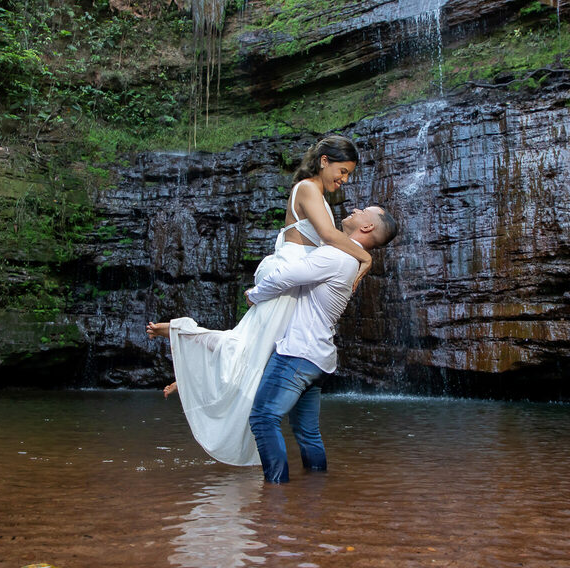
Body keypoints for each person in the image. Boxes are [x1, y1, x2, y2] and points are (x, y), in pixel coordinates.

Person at [146, 135, 372, 466]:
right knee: (246, 345)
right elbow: (328, 237)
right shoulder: (308, 188)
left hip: (295, 283)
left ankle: (189, 362)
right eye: (342, 170)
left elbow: (330, 244)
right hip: (287, 279)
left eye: (349, 174)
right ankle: (183, 340)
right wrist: (366, 259)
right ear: (324, 161)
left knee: (256, 349)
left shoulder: (320, 195)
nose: (344, 179)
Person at [246, 205, 398, 483]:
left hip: (298, 354)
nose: (354, 209)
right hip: (318, 358)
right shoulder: (348, 258)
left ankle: (275, 495)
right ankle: (317, 493)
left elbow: (285, 276)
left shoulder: (338, 254)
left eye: (363, 210)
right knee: (307, 432)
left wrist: (254, 295)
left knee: (263, 418)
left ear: (367, 228)